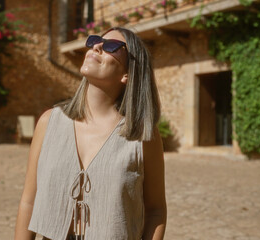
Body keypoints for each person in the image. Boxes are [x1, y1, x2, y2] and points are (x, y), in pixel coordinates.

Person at [14, 27, 166, 240]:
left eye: (112, 46)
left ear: (128, 74)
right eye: (95, 40)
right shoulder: (49, 123)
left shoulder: (142, 136)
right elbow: (29, 201)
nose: (97, 46)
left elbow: (155, 210)